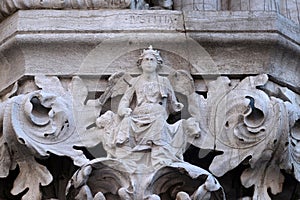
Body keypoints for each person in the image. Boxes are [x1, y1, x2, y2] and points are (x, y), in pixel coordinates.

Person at [116, 46, 183, 166]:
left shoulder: (163, 81)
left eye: (152, 60)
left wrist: (177, 106)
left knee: (159, 123)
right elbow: (126, 99)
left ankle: (159, 159)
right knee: (126, 122)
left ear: (158, 64)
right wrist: (123, 110)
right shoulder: (135, 81)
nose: (149, 62)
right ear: (140, 64)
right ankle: (125, 157)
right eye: (145, 59)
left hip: (157, 114)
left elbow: (172, 102)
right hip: (138, 115)